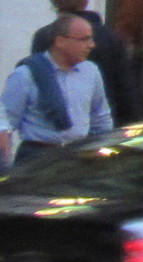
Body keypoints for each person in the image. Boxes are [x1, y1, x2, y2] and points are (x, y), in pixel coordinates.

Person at [3, 15, 116, 172]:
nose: (91, 45)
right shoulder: (27, 74)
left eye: (91, 39)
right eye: (84, 39)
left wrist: (105, 151)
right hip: (37, 157)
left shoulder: (90, 71)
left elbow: (100, 117)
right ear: (60, 41)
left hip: (78, 156)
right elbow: (6, 120)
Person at [29, 0, 133, 126]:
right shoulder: (110, 37)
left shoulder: (44, 36)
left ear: (55, 5)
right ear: (85, 1)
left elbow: (37, 78)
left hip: (56, 121)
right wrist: (129, 121)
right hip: (103, 117)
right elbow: (123, 84)